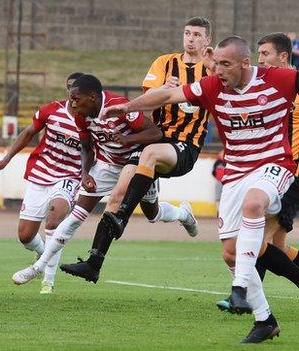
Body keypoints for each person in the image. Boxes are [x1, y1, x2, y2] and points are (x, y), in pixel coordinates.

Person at [95, 36, 299, 343]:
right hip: (235, 172)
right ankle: (265, 319)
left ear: (246, 63)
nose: (217, 70)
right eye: (215, 64)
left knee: (254, 205)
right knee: (232, 253)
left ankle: (239, 287)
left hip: (274, 165)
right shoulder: (213, 86)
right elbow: (167, 95)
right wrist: (126, 107)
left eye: (225, 64)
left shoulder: (281, 79)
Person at [59, 16, 212, 283]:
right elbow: (149, 98)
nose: (191, 38)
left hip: (186, 144)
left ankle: (122, 219)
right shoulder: (165, 63)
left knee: (149, 158)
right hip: (156, 139)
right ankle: (93, 263)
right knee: (118, 194)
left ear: (207, 40)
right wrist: (163, 89)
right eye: (187, 33)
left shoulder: (212, 70)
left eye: (198, 35)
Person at [11, 74, 188, 286]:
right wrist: (85, 174)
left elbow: (155, 133)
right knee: (75, 217)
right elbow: (86, 149)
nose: (72, 103)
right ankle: (38, 267)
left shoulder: (121, 108)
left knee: (153, 213)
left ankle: (183, 213)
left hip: (135, 165)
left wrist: (127, 139)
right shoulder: (81, 115)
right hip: (105, 165)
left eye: (77, 99)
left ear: (93, 97)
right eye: (71, 98)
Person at [215, 32, 299, 312]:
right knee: (274, 244)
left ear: (283, 57)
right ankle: (246, 297)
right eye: (259, 54)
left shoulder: (289, 87)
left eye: (265, 54)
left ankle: (245, 298)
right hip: (272, 171)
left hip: (290, 173)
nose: (260, 60)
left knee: (252, 240)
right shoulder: (263, 87)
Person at [0, 72, 84, 294]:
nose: (73, 93)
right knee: (25, 236)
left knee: (54, 219)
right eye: (70, 88)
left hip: (69, 176)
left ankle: (47, 282)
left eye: (77, 89)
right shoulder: (51, 110)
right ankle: (43, 253)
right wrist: (6, 159)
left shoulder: (91, 120)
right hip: (41, 174)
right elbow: (29, 132)